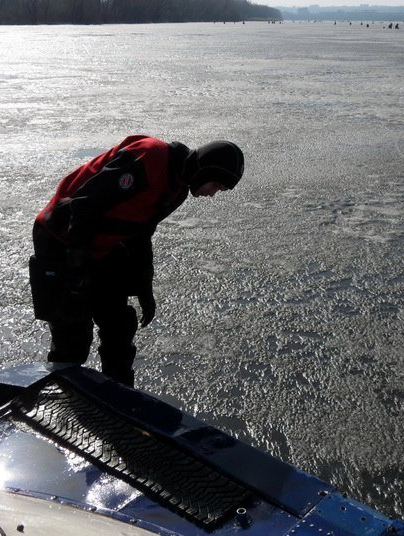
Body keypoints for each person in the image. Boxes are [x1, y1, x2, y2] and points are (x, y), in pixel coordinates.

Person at [29, 134, 244, 386]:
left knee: (119, 326)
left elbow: (140, 234)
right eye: (216, 185)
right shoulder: (150, 157)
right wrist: (77, 279)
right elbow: (85, 205)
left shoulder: (176, 190)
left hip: (102, 245)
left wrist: (144, 287)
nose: (213, 194)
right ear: (206, 169)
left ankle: (119, 390)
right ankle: (59, 390)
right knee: (73, 331)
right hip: (62, 238)